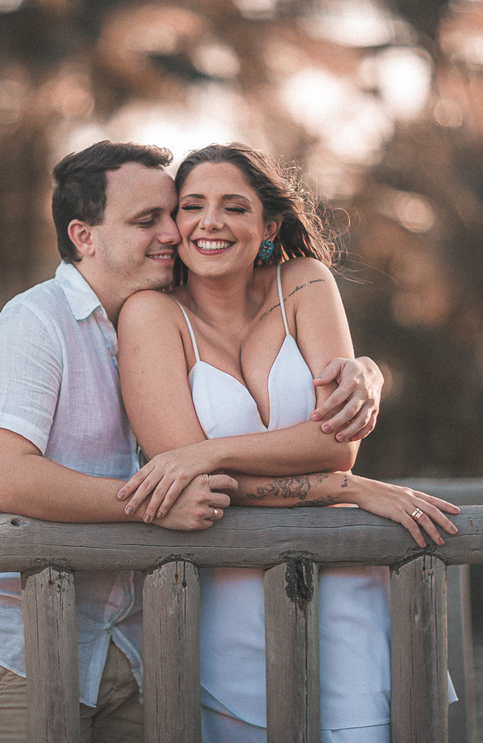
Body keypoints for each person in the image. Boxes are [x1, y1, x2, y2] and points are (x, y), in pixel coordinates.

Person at [0, 140, 389, 742]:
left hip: (130, 637)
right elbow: (1, 478)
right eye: (148, 220)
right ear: (84, 236)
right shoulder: (35, 323)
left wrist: (365, 371)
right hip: (24, 635)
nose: (173, 232)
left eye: (169, 214)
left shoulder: (144, 313)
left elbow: (280, 444)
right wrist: (160, 503)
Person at [117, 143, 460, 742]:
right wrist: (341, 488)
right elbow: (193, 485)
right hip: (225, 596)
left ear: (270, 225)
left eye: (234, 206)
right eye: (192, 205)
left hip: (343, 579)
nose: (210, 222)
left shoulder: (304, 284)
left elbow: (335, 443)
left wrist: (210, 450)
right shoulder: (151, 314)